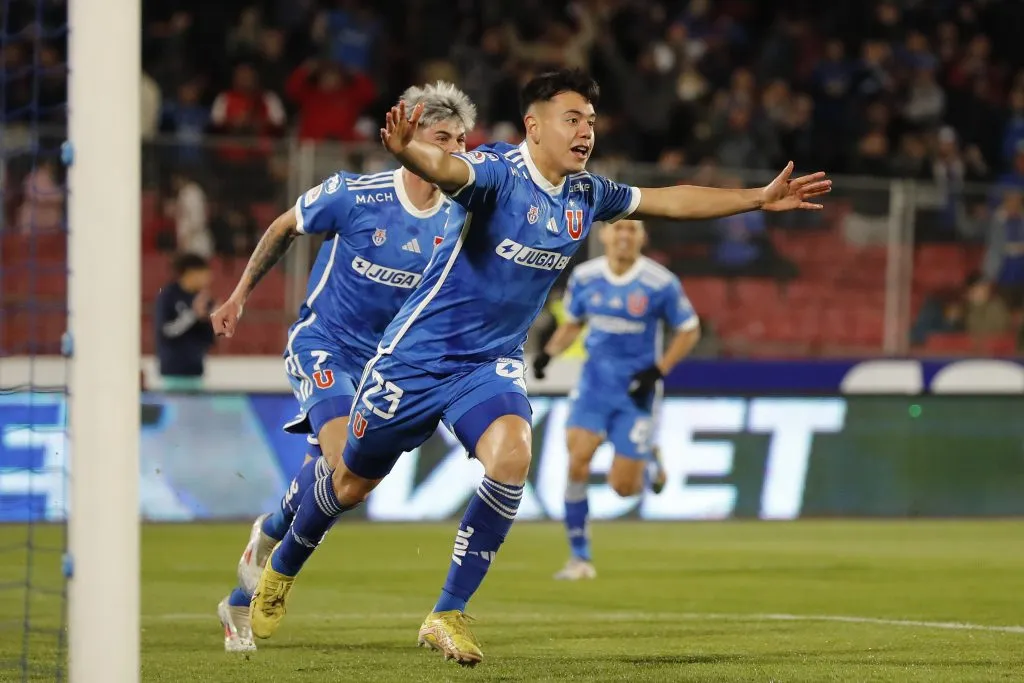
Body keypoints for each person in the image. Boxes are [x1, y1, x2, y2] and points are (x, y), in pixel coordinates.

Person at [251, 68, 831, 666]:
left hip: (488, 365)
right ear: (534, 126)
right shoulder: (499, 176)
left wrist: (756, 198)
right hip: (414, 361)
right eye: (573, 120)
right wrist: (409, 153)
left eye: (592, 122)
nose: (586, 133)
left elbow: (667, 201)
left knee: (513, 455)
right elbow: (452, 170)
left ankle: (446, 614)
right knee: (349, 481)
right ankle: (284, 565)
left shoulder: (586, 195)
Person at [208, 81, 476, 653]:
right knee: (340, 463)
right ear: (410, 134)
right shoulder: (357, 195)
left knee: (347, 487)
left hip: (386, 369)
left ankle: (245, 587)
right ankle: (270, 566)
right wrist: (238, 297)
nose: (451, 149)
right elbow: (283, 226)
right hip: (323, 345)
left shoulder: (457, 218)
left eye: (459, 140)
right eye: (439, 136)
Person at [531, 218, 701, 580]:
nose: (624, 235)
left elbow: (689, 329)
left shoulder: (660, 282)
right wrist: (549, 353)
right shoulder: (585, 277)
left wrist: (659, 369)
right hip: (593, 387)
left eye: (633, 229)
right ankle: (580, 558)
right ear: (605, 234)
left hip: (635, 392)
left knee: (624, 489)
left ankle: (650, 459)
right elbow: (573, 322)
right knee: (577, 461)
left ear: (643, 237)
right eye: (619, 228)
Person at [155, 252, 215, 391]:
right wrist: (193, 314)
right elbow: (166, 331)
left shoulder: (203, 299)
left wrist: (211, 318)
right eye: (204, 273)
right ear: (190, 273)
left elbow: (209, 339)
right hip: (173, 374)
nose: (208, 278)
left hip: (196, 373)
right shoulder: (168, 296)